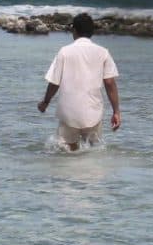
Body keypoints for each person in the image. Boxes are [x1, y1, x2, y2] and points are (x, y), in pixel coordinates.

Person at [36, 13, 121, 151]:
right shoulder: (103, 52)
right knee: (93, 152)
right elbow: (110, 83)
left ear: (74, 30)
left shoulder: (64, 52)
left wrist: (45, 102)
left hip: (69, 112)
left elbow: (54, 83)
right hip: (92, 112)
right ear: (92, 32)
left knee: (69, 153)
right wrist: (116, 112)